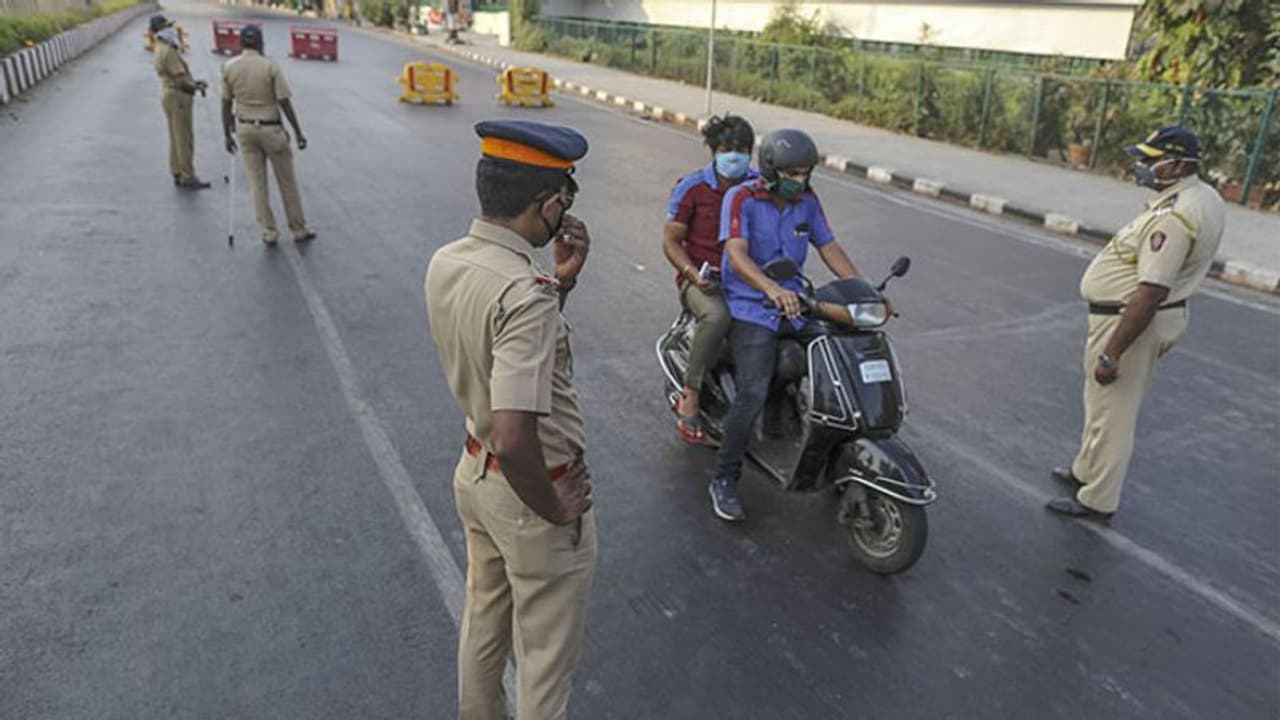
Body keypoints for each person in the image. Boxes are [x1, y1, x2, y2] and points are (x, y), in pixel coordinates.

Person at [425, 120, 596, 720]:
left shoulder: (450, 261)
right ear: (546, 204)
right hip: (531, 490)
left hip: (476, 477)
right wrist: (555, 508)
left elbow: (507, 343)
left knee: (484, 625)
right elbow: (516, 432)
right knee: (544, 664)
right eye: (564, 201)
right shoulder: (526, 293)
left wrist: (560, 281)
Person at [1048, 126, 1225, 521]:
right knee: (1101, 404)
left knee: (1114, 412)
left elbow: (1150, 291)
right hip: (1136, 317)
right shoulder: (1200, 197)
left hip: (1132, 323)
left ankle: (1098, 499)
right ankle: (1085, 471)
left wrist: (1112, 353)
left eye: (1150, 160)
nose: (1141, 167)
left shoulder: (1176, 217)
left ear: (1177, 164)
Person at [709, 129, 865, 522]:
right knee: (753, 392)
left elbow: (830, 248)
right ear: (772, 171)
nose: (801, 180)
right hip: (752, 306)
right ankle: (724, 478)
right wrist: (770, 288)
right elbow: (736, 254)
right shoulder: (741, 197)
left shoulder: (808, 201)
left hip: (798, 304)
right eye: (793, 173)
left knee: (842, 363)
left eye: (806, 172)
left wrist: (863, 293)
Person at [662, 114, 756, 444]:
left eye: (743, 149)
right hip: (702, 282)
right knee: (717, 316)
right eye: (728, 149)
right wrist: (691, 275)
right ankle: (691, 396)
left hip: (750, 279)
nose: (736, 156)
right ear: (714, 151)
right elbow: (671, 241)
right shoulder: (692, 187)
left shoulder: (758, 186)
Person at [220, 25, 316, 246]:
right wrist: (298, 132)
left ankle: (269, 231)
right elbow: (284, 101)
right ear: (261, 43)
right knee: (287, 181)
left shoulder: (229, 67)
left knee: (257, 183)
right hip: (271, 129)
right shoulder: (270, 67)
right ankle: (298, 228)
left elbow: (226, 104)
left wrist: (227, 134)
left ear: (240, 43)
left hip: (245, 130)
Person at [151, 14, 210, 190]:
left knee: (175, 137)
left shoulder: (160, 48)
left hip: (170, 94)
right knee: (184, 138)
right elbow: (180, 78)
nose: (171, 29)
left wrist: (194, 83)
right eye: (167, 27)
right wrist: (197, 87)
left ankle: (177, 170)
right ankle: (187, 175)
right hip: (178, 97)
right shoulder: (168, 51)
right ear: (161, 31)